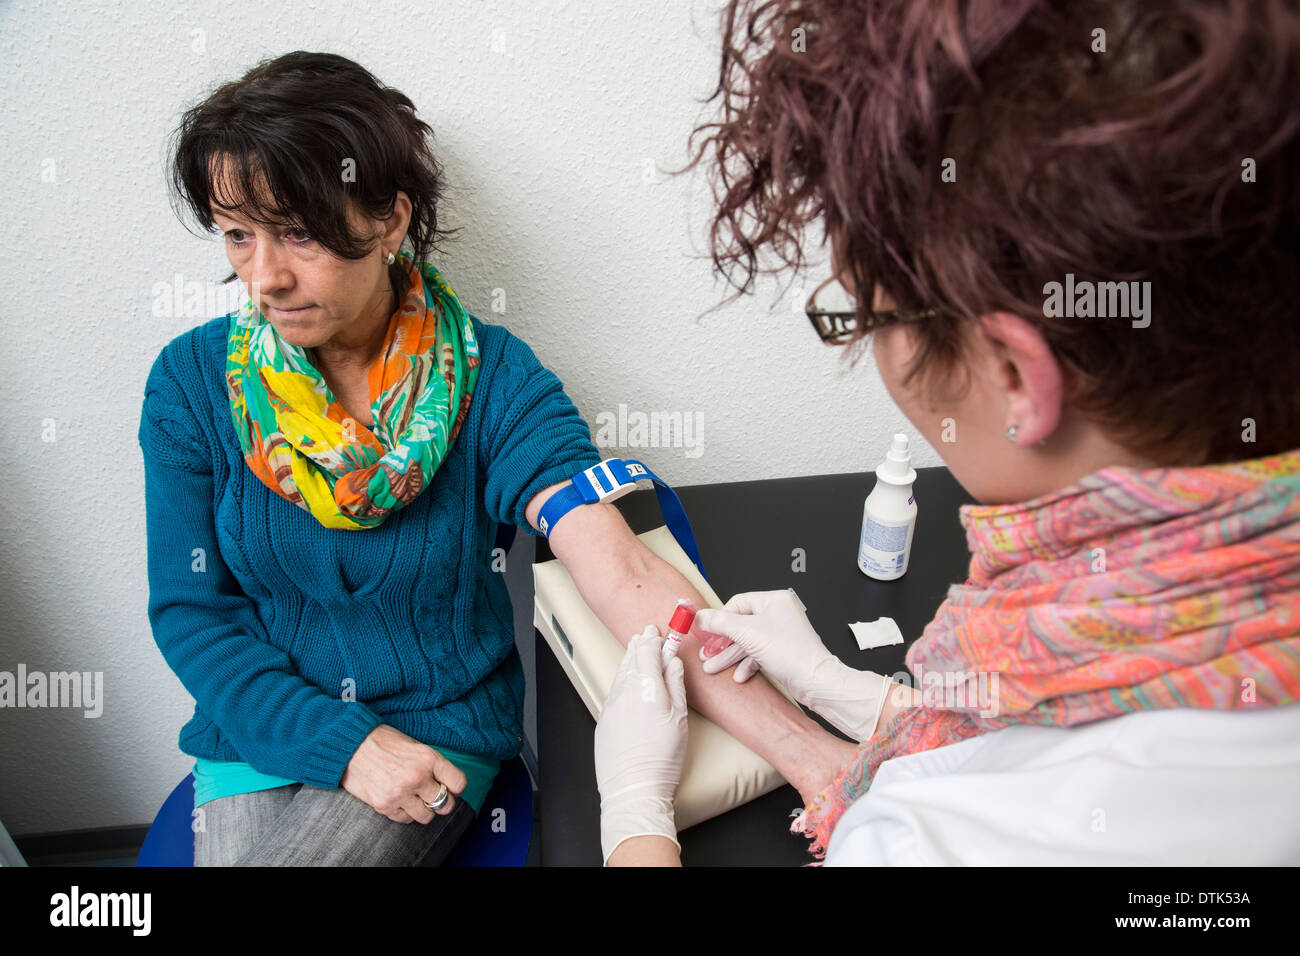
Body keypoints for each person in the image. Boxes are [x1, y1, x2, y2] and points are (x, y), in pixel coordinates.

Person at [593, 0, 1300, 866]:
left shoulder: (953, 840)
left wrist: (633, 812)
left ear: (1012, 375)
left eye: (861, 316)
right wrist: (870, 704)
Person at [141, 50, 849, 866]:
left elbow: (618, 569)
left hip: (434, 721)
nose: (264, 277)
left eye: (299, 232)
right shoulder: (190, 386)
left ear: (390, 219)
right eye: (238, 235)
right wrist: (344, 746)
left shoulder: (491, 380)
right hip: (256, 726)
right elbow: (191, 613)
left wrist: (808, 753)